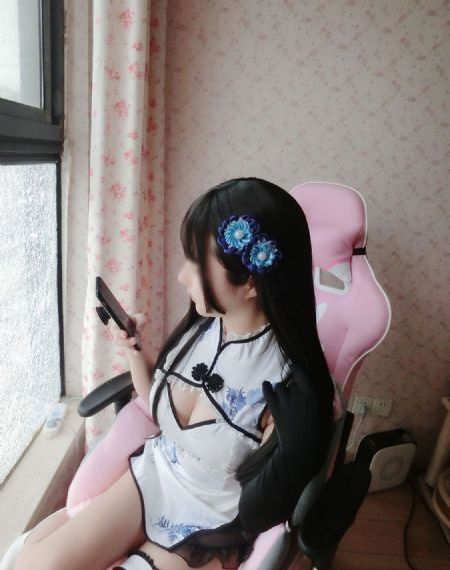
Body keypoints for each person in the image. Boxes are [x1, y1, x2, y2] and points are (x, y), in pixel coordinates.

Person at [10, 177, 335, 570]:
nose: (182, 276)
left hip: (210, 523)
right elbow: (157, 406)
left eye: (195, 262)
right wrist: (135, 350)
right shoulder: (203, 328)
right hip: (155, 477)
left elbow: (258, 513)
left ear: (250, 281)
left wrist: (295, 452)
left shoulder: (285, 385)